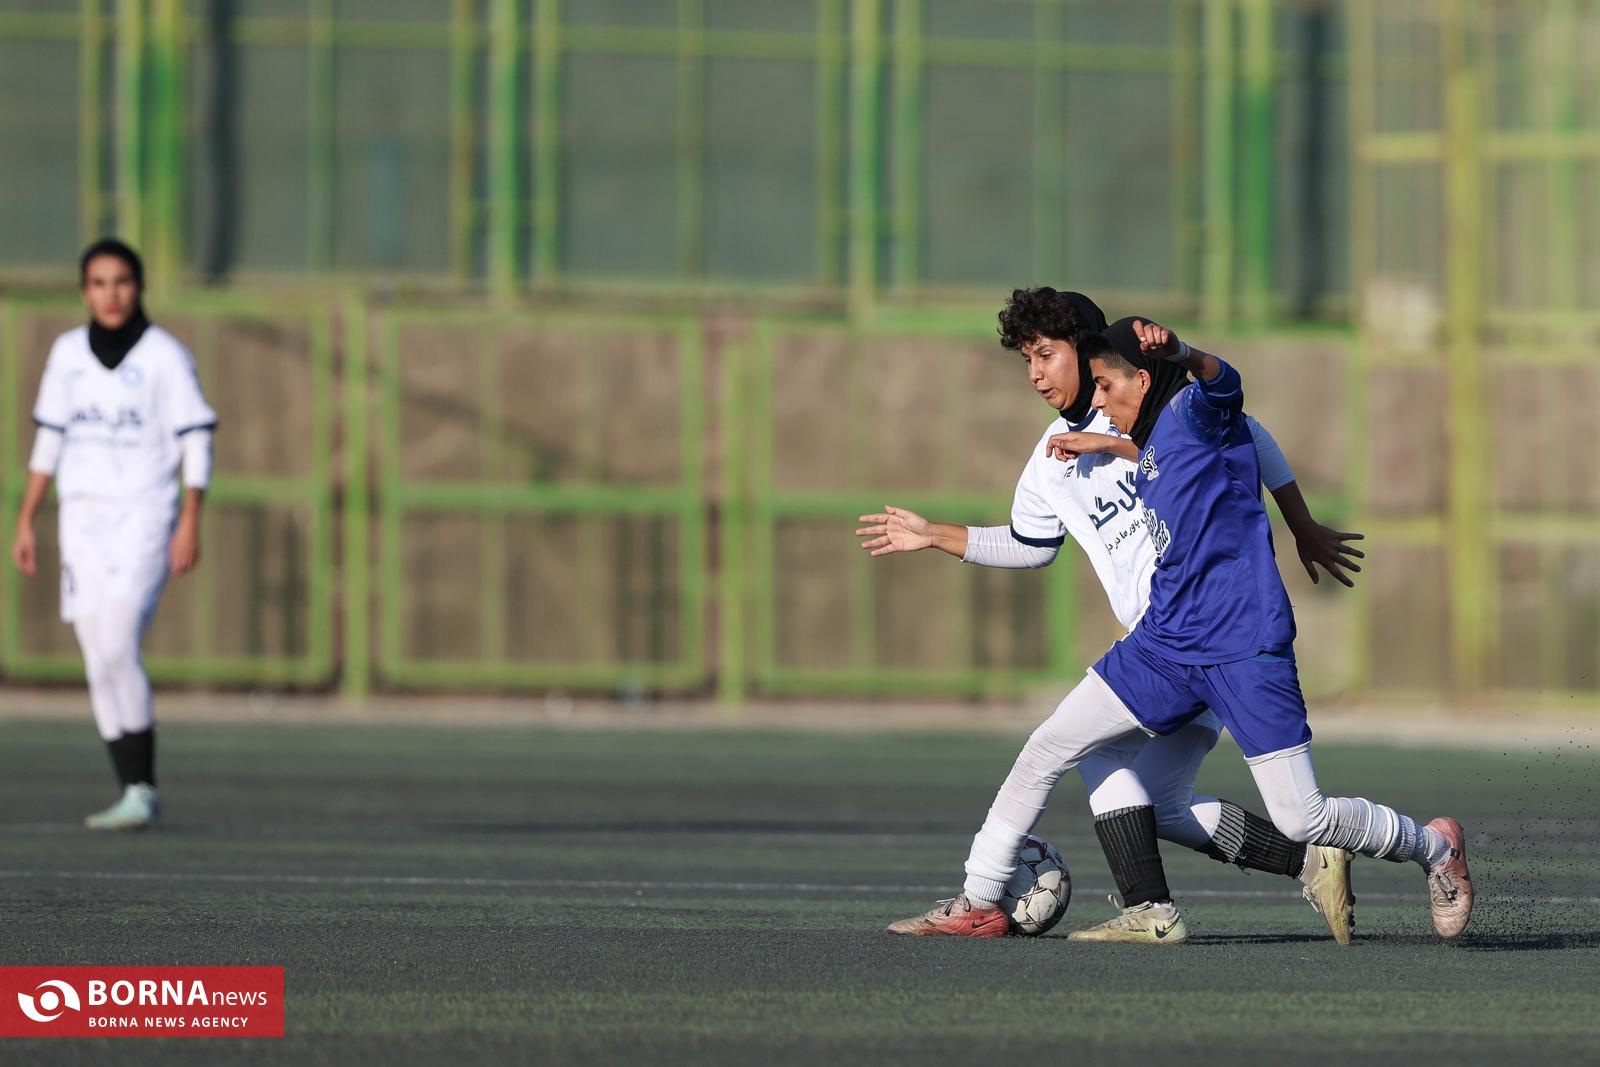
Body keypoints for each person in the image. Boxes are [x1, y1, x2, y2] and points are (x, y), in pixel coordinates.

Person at [889, 316, 1473, 943]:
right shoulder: (1132, 447)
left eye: (1100, 382)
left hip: (1243, 647)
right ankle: (983, 899)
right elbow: (1135, 476)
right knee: (1052, 749)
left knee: (1302, 818)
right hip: (1163, 643)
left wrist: (1185, 352)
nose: (1097, 399)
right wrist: (1100, 448)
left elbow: (1227, 389)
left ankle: (1435, 848)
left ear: (1138, 378)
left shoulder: (1192, 412)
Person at [9, 239, 216, 831]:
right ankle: (132, 789)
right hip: (82, 522)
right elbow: (49, 440)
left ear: (139, 286)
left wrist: (191, 517)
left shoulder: (165, 357)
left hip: (145, 516)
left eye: (121, 281)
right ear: (84, 291)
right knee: (97, 658)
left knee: (119, 642)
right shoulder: (67, 354)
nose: (111, 294)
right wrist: (26, 517)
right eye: (99, 283)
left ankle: (143, 788)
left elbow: (196, 437)